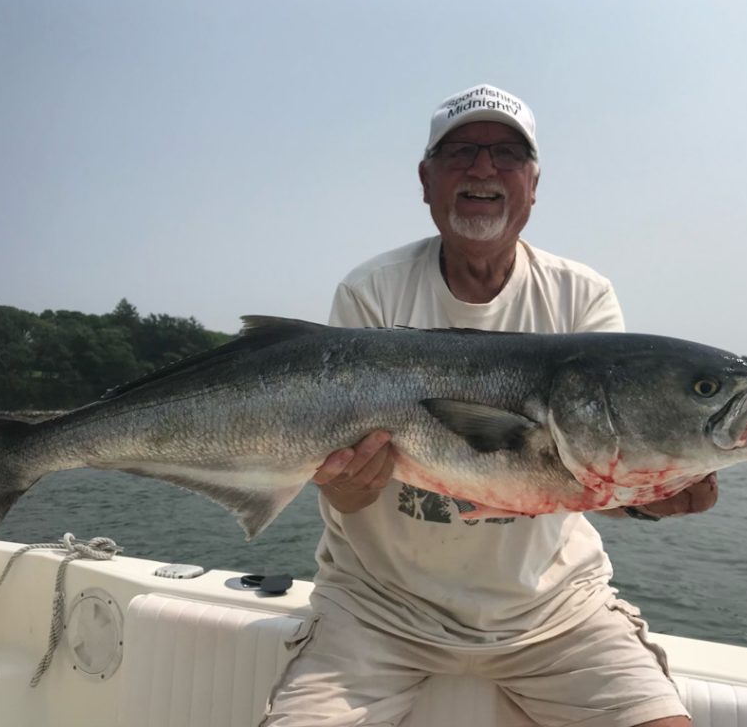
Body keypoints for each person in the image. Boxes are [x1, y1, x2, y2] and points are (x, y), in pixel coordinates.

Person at [260, 84, 718, 727]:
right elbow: (345, 482)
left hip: (555, 611)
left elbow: (590, 466)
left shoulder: (582, 297)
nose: (483, 168)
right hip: (377, 608)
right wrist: (343, 486)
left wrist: (645, 498)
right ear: (426, 180)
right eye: (461, 152)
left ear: (534, 183)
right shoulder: (372, 292)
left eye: (508, 154)